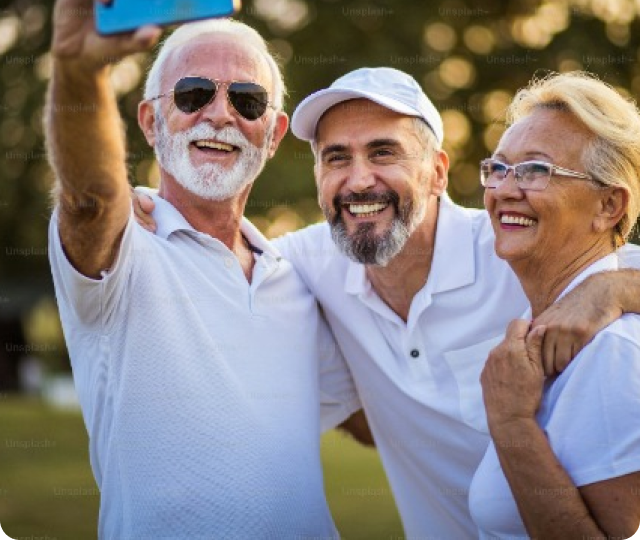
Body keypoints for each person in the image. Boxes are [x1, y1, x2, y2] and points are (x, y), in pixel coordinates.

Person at [136, 66, 640, 538]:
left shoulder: (517, 245)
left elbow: (607, 259)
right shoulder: (304, 265)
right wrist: (141, 216)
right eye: (336, 157)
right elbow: (214, 264)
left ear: (438, 173)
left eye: (383, 153)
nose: (358, 180)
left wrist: (612, 289)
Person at [44, 0, 359, 539]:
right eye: (192, 94)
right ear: (150, 120)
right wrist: (78, 71)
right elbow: (89, 199)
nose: (219, 115)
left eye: (247, 100)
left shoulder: (295, 276)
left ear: (272, 135)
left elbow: (381, 402)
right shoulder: (126, 248)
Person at [468, 72, 640, 538]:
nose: (504, 189)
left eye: (536, 171)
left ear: (608, 206)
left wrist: (510, 422)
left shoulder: (613, 353)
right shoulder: (543, 317)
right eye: (498, 168)